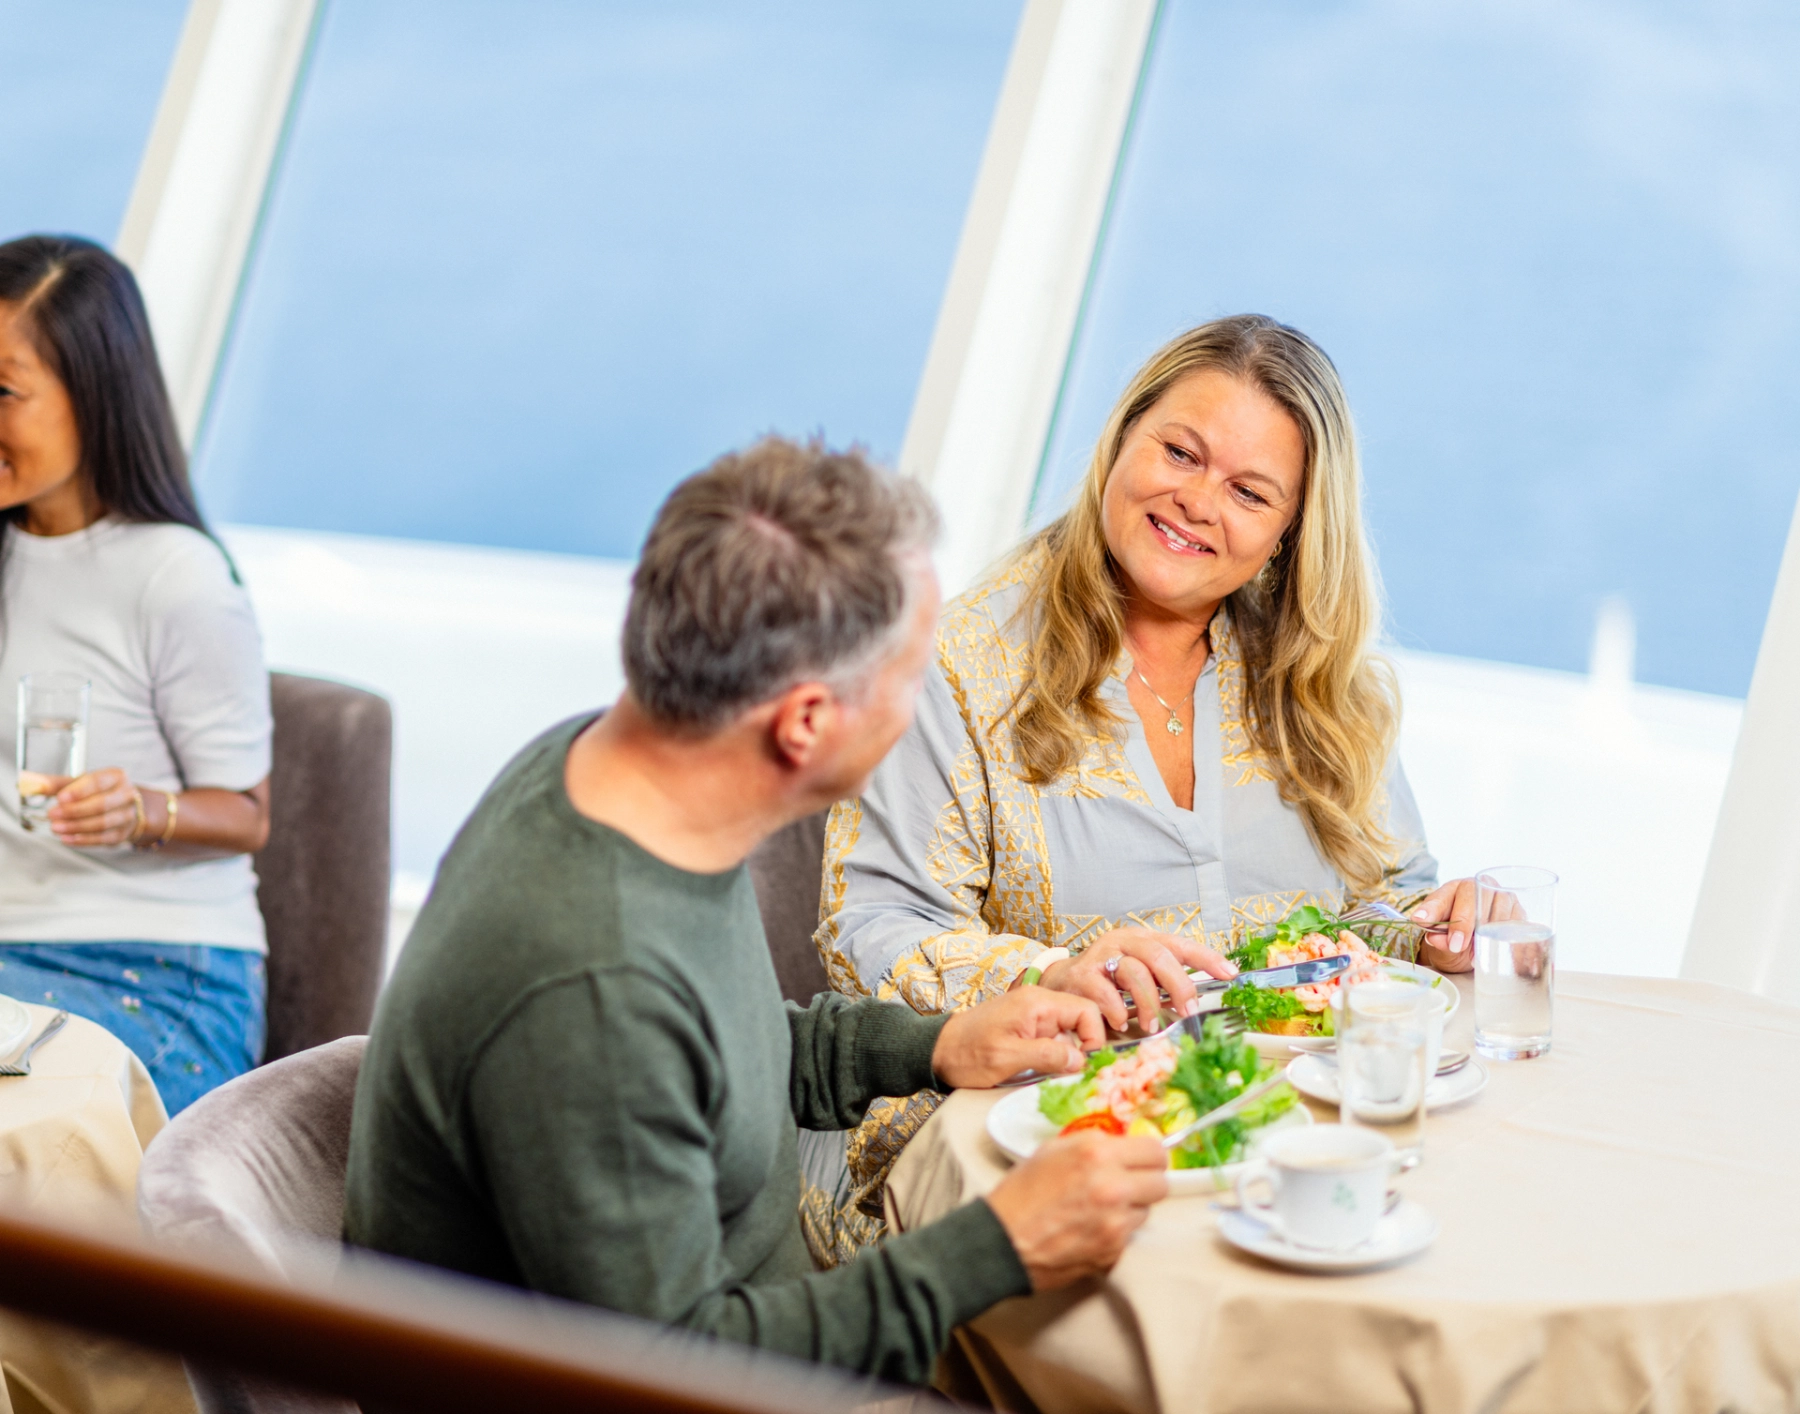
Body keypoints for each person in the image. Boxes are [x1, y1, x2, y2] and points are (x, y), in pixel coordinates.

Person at [344, 438, 1170, 1386]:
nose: (924, 708)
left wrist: (936, 1045)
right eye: (913, 679)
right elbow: (667, 1372)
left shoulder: (611, 771)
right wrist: (998, 1246)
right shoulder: (590, 984)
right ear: (806, 722)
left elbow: (713, 1057)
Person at [807, 314, 1480, 1260]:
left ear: (1287, 533)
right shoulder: (954, 663)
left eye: (1249, 491)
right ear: (1121, 438)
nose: (1200, 501)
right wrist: (1047, 975)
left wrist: (1435, 927)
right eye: (1181, 452)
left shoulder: (1321, 680)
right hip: (1024, 1138)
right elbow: (870, 931)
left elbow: (1378, 902)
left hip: (1270, 1125)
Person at [0, 235, 272, 1114]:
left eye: (5, 391)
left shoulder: (177, 578)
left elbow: (250, 812)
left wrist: (141, 810)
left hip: (153, 963)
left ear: (95, 394)